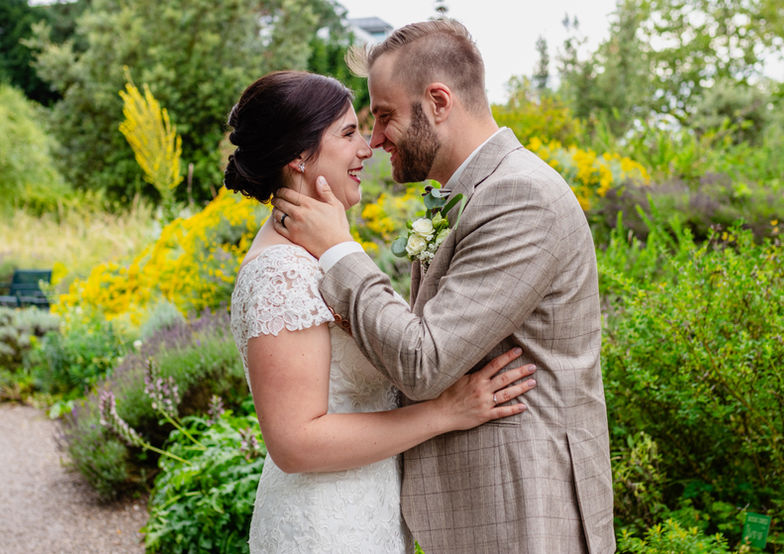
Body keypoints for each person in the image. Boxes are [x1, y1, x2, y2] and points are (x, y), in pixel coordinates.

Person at [271, 20, 615, 553]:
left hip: (523, 514)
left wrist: (340, 251)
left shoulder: (520, 197)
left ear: (437, 102)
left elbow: (423, 361)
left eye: (384, 115)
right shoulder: (471, 193)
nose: (376, 137)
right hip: (480, 510)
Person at [226, 70, 538, 553]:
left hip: (367, 511)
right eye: (348, 133)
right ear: (299, 155)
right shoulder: (281, 272)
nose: (367, 147)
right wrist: (444, 413)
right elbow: (295, 442)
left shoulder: (322, 252)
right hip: (324, 526)